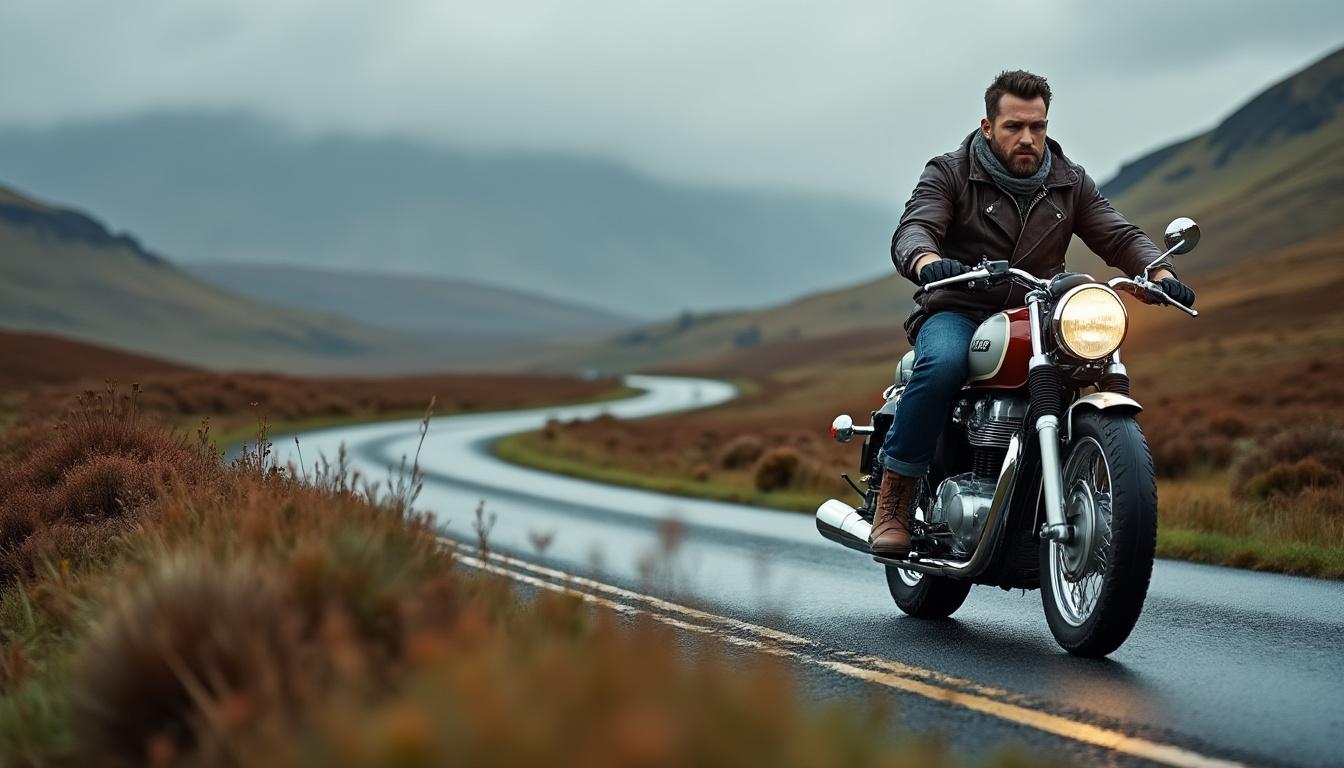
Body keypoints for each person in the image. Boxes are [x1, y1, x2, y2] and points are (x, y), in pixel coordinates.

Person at [871, 70, 1196, 557]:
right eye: (1014, 127)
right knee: (940, 365)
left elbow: (1118, 235)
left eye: (1038, 127)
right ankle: (894, 500)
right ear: (987, 126)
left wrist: (1159, 274)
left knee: (1090, 362)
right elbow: (915, 228)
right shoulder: (950, 172)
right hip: (960, 307)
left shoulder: (1069, 181)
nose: (1028, 138)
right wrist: (928, 263)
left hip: (1039, 314)